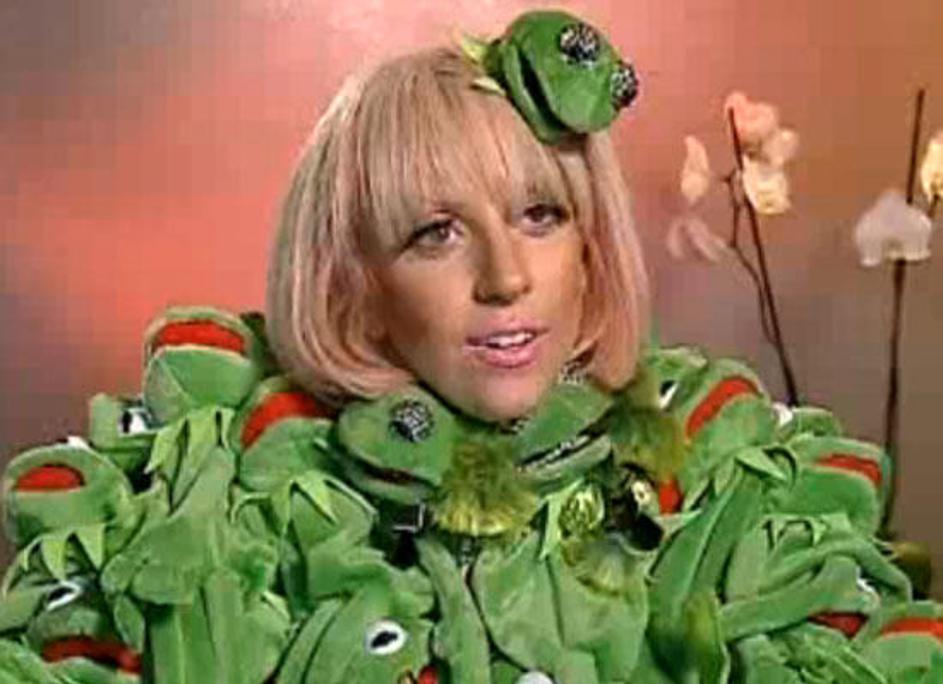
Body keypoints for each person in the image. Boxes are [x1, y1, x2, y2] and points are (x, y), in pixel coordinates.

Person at [0, 9, 941, 684]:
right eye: (435, 234)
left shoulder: (720, 466)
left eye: (540, 216)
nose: (505, 278)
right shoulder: (224, 486)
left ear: (589, 246)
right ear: (355, 284)